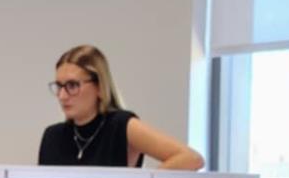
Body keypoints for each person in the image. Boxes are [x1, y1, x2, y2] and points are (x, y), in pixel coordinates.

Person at [36, 44, 203, 169]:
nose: (62, 95)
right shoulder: (53, 136)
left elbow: (191, 158)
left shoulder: (121, 125)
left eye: (72, 86)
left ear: (100, 87)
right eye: (59, 86)